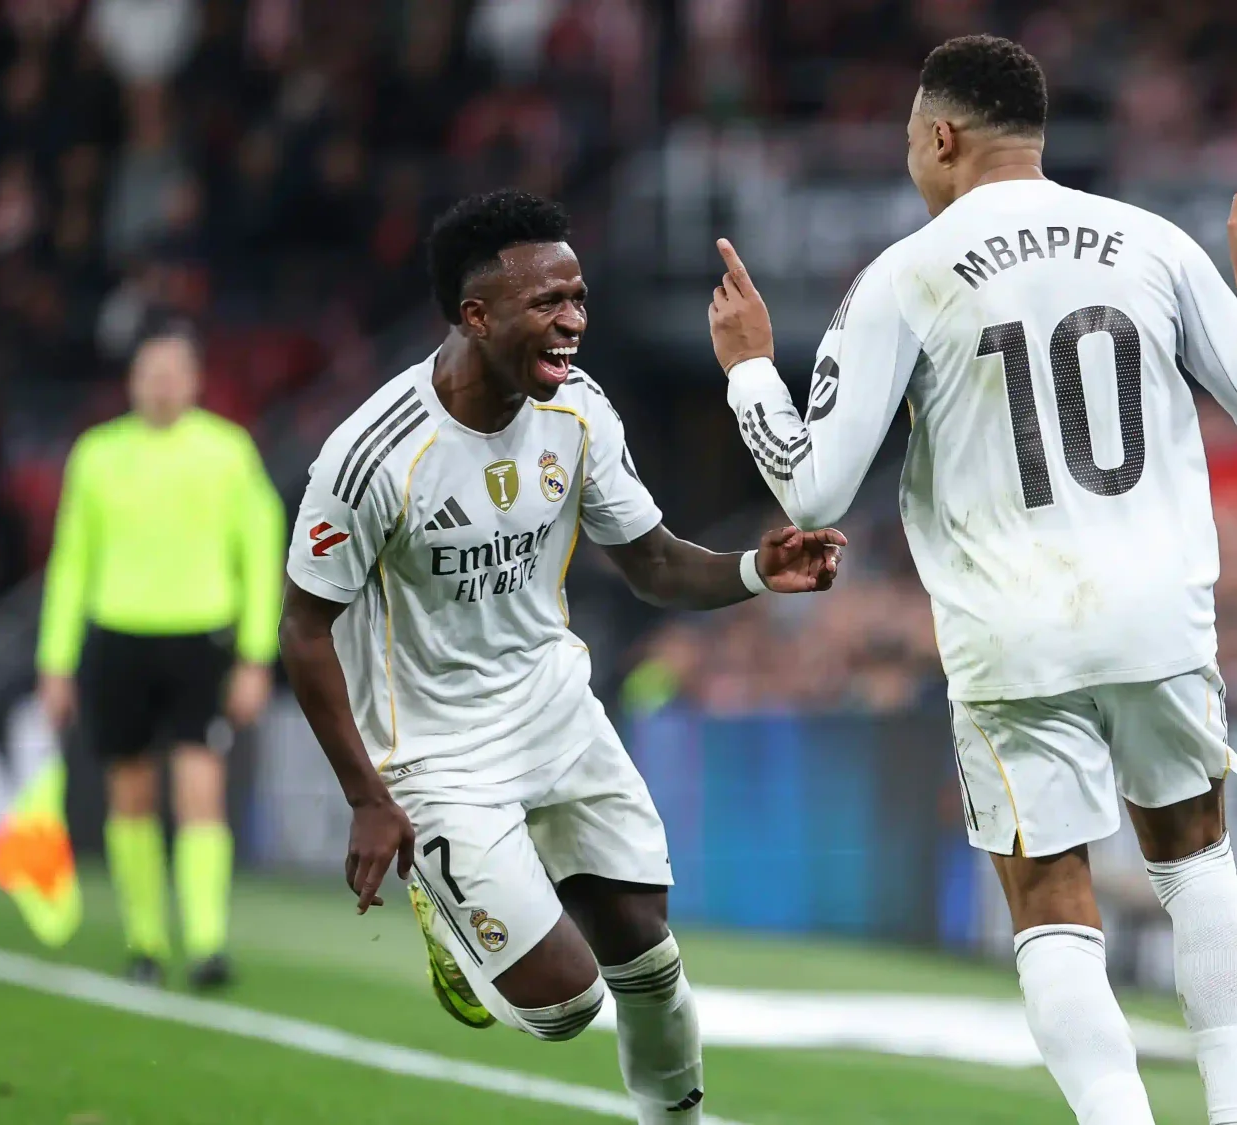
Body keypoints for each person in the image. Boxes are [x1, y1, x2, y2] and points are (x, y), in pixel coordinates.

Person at [708, 35, 1237, 1125]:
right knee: (1196, 868)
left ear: (941, 136)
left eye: (909, 139)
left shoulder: (906, 273)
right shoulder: (1154, 242)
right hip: (1157, 613)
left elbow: (813, 489)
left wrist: (751, 367)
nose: (909, 158)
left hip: (1012, 629)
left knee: (1051, 907)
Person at [278, 190, 844, 1123]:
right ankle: (450, 914)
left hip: (558, 716)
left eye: (578, 298)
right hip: (438, 756)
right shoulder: (371, 456)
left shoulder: (578, 410)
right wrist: (368, 798)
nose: (574, 320)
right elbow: (303, 628)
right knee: (566, 1006)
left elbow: (654, 562)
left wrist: (754, 568)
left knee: (650, 958)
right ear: (476, 316)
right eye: (548, 302)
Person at [36, 327, 284, 989]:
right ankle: (144, 941)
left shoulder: (229, 452)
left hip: (201, 637)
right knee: (130, 792)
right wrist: (55, 660)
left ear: (196, 380)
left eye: (174, 372)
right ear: (132, 380)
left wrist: (256, 656)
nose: (163, 384)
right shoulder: (97, 454)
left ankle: (206, 943)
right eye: (151, 372)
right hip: (117, 635)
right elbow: (70, 562)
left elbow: (262, 555)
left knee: (200, 786)